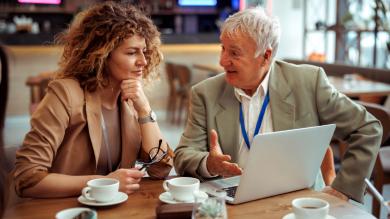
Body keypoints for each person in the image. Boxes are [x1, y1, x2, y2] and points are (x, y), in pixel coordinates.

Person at [174, 6, 382, 203]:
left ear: (265, 56)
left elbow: (367, 128)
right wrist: (209, 164)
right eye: (223, 49)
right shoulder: (205, 93)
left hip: (297, 199)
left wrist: (345, 188)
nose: (222, 60)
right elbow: (183, 155)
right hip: (235, 199)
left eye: (234, 53)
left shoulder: (308, 82)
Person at [13, 1, 173, 198]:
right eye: (132, 52)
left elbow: (161, 169)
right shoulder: (65, 94)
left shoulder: (130, 102)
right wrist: (104, 183)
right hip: (67, 209)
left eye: (144, 51)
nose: (143, 61)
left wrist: (145, 111)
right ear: (102, 55)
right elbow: (26, 178)